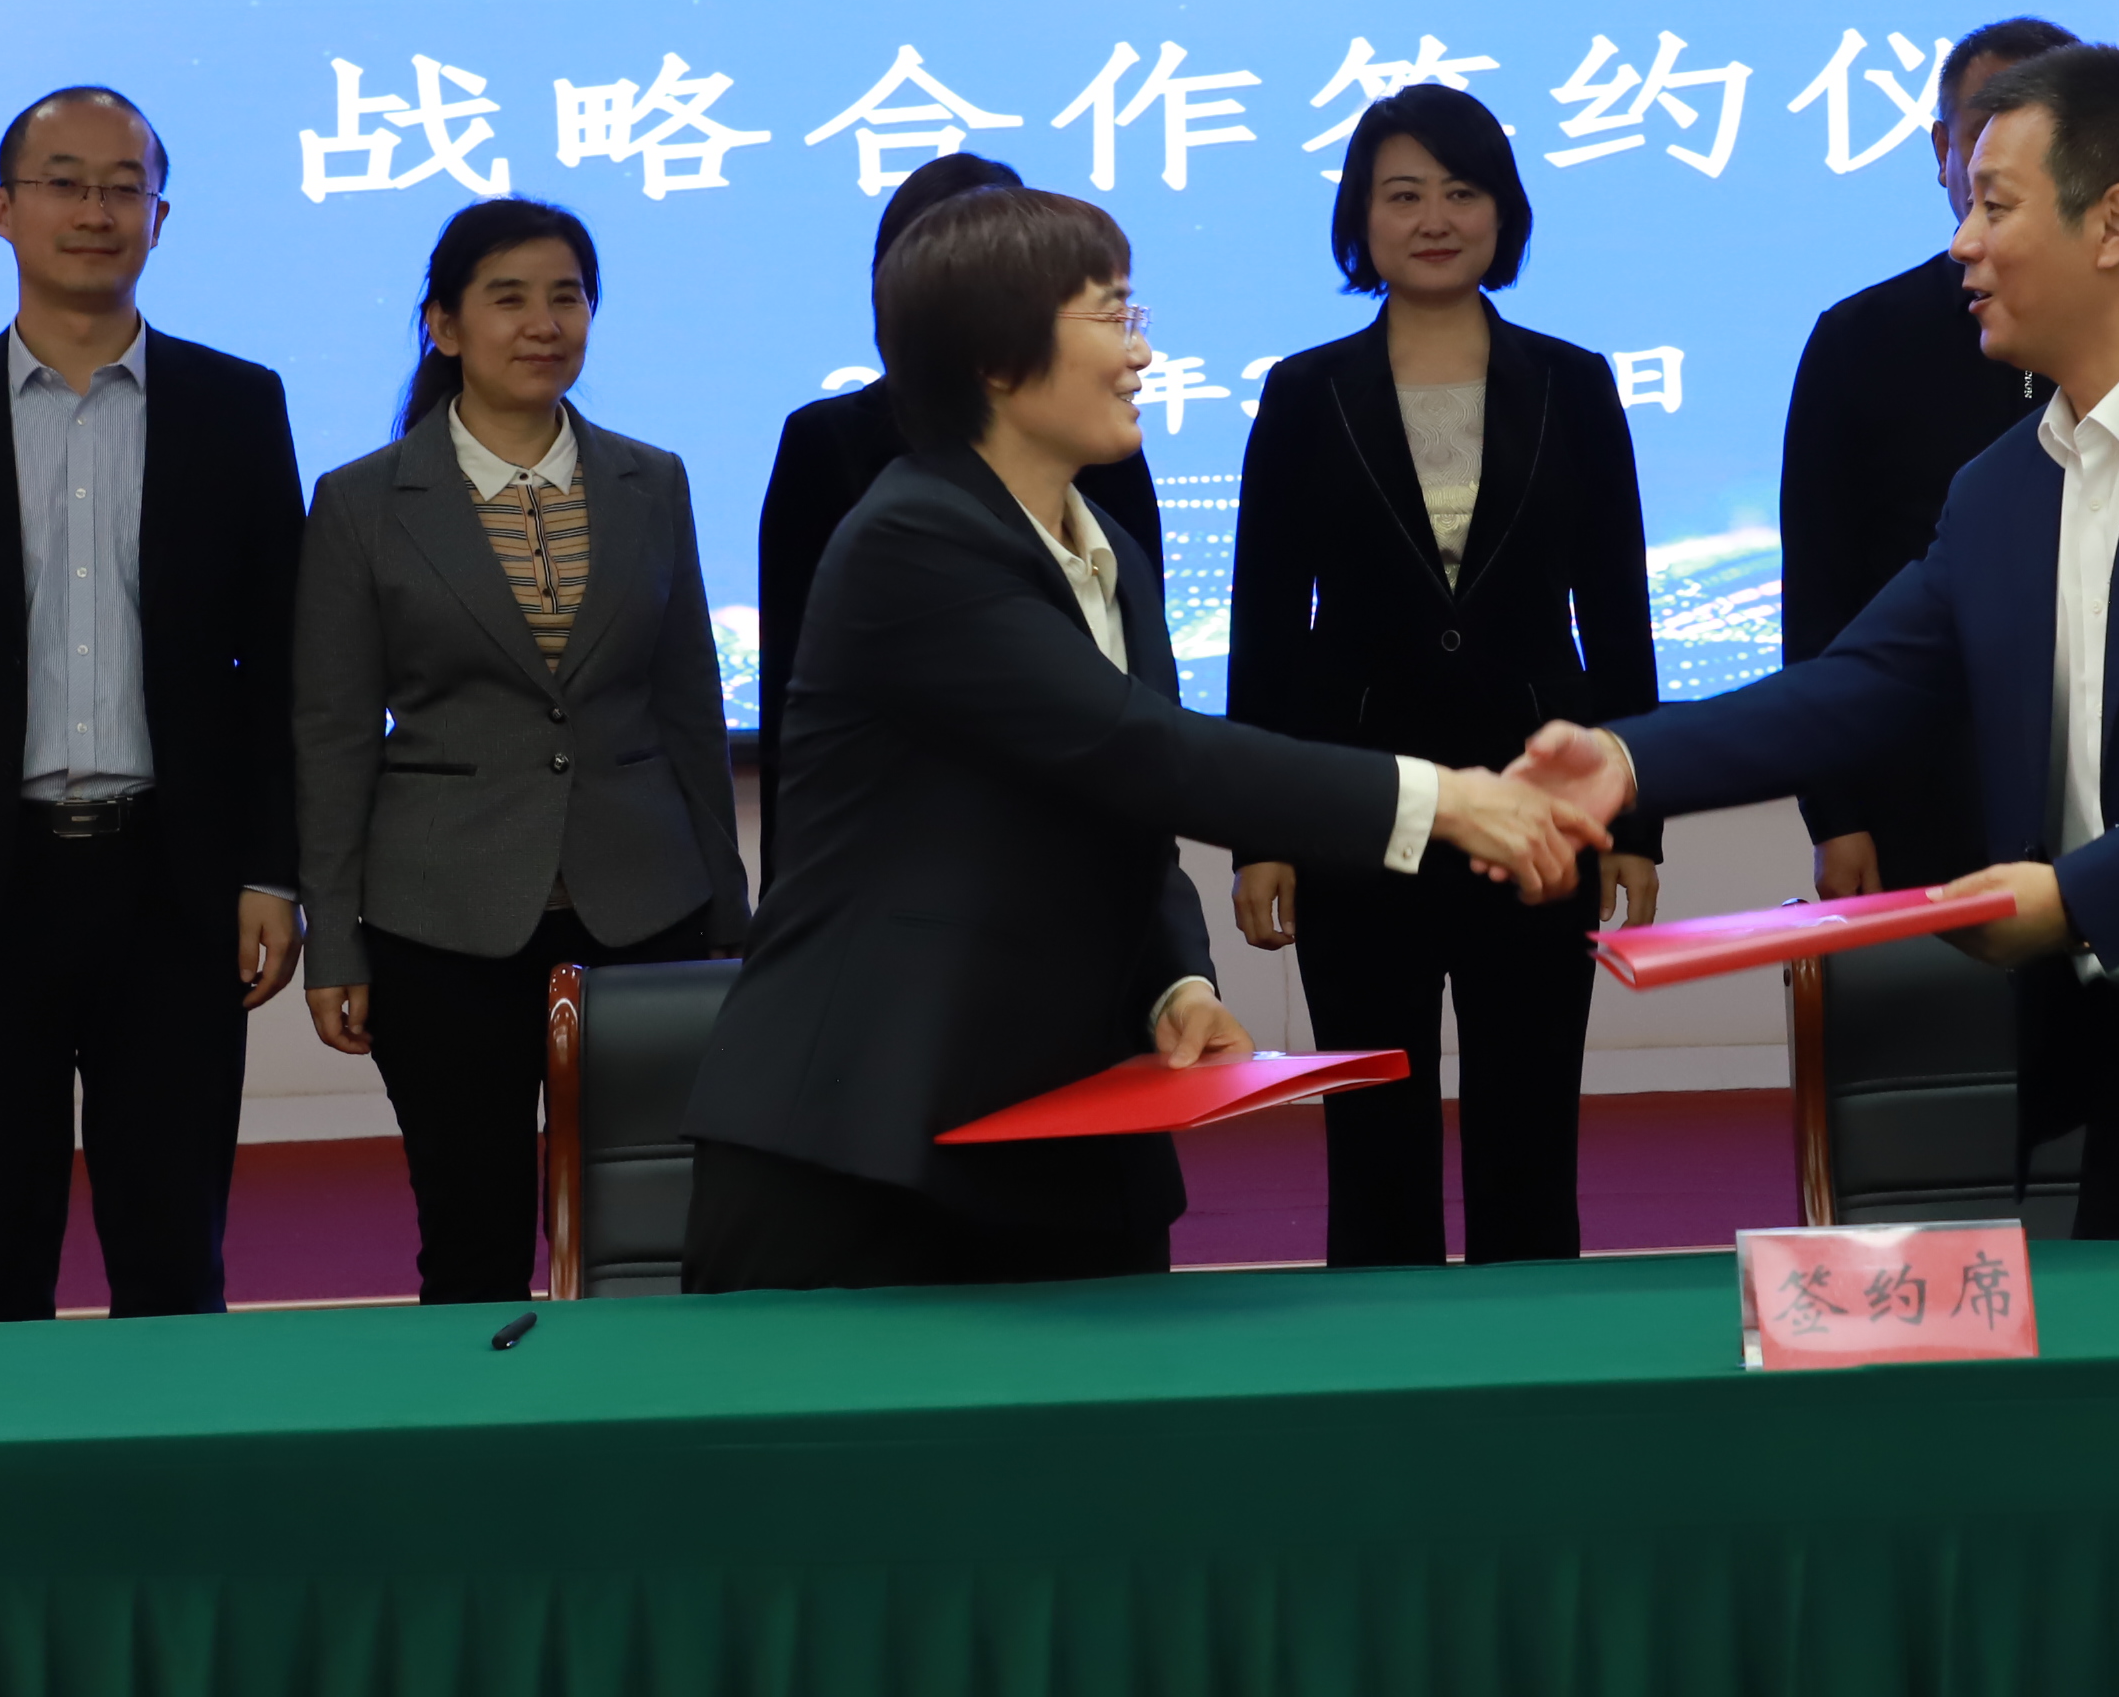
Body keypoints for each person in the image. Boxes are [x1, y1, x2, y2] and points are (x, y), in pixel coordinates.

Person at [1509, 45, 2119, 1239]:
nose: (1962, 243)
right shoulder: (2002, 486)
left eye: (1995, 206)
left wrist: (2078, 896)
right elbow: (1862, 682)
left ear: (2113, 224)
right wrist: (1625, 762)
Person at [672, 187, 1609, 1290]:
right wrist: (1447, 799)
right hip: (865, 1135)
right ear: (996, 359)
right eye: (1111, 317)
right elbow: (1142, 748)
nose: (1142, 353)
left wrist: (1174, 983)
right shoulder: (912, 536)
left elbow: (1124, 806)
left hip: (1068, 1123)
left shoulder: (1103, 543)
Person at [0, 86, 306, 1321]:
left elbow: (280, 666)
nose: (95, 209)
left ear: (160, 215)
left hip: (175, 888)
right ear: (3, 208)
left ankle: (178, 1452)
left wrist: (274, 867)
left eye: (123, 185)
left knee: (174, 1258)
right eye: (63, 181)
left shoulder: (237, 406)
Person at [1226, 85, 1662, 1268]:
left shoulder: (1573, 382)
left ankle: (1538, 1351)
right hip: (1354, 804)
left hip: (1541, 806)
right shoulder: (1304, 391)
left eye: (1461, 191)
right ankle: (1380, 1353)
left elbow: (1616, 612)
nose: (1433, 218)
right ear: (1359, 217)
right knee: (1373, 1130)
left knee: (1531, 1118)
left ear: (1502, 211)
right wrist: (1258, 831)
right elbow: (1265, 624)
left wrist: (1637, 822)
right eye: (1402, 193)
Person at [293, 196, 749, 1304]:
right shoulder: (363, 501)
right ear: (444, 325)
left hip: (645, 905)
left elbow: (690, 707)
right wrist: (334, 940)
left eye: (567, 297)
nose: (544, 323)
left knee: (657, 1232)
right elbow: (333, 734)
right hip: (441, 920)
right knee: (472, 1233)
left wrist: (728, 917)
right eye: (508, 298)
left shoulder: (651, 480)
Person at [755, 151, 1159, 879]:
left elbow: (1157, 728)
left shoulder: (1105, 472)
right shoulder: (884, 506)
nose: (1140, 353)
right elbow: (791, 695)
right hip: (912, 877)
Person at [1782, 14, 2078, 896]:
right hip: (1921, 791)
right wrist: (1836, 813)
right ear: (1944, 149)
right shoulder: (1859, 341)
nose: (2006, 164)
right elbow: (1821, 598)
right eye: (1985, 133)